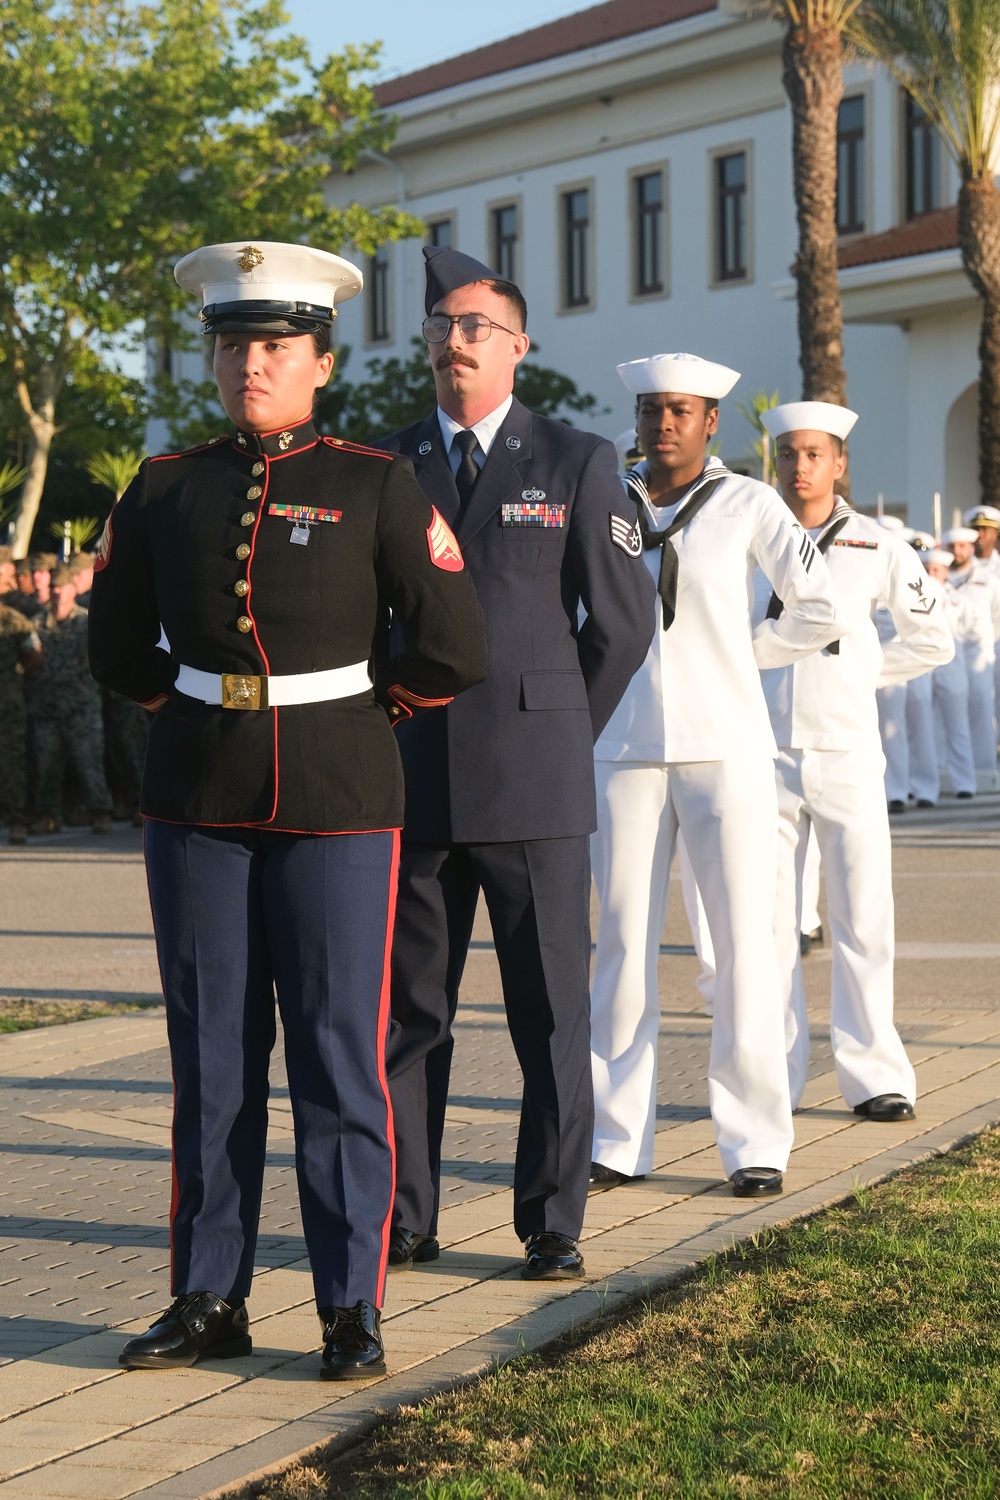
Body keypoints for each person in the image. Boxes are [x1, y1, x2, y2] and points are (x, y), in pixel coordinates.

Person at [88, 240, 487, 1379]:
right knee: (210, 1058)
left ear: (321, 362)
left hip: (339, 795)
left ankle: (347, 1306)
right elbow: (115, 642)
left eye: (273, 347)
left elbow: (455, 643)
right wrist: (193, 708)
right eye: (230, 345)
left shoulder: (375, 482)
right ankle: (208, 1293)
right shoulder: (164, 484)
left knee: (334, 1056)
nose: (248, 365)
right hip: (198, 800)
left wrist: (369, 716)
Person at [376, 247, 655, 1281]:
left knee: (547, 1013)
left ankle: (549, 1220)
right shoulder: (386, 463)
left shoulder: (575, 460)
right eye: (440, 326)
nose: (454, 342)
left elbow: (622, 624)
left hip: (535, 783)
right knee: (410, 1014)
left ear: (517, 346)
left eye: (474, 327)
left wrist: (555, 727)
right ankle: (405, 1216)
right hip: (411, 776)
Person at [589, 354, 842, 1199]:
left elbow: (819, 607)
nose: (663, 422)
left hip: (726, 749)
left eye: (681, 410)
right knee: (622, 947)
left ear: (711, 424)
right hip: (621, 747)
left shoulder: (747, 503)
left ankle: (754, 1140)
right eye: (651, 407)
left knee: (743, 949)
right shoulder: (605, 499)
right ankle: (617, 1139)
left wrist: (747, 654)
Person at [755, 402, 953, 1121]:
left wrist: (862, 669)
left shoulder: (877, 545)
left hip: (846, 750)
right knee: (770, 926)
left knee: (864, 918)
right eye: (788, 454)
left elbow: (933, 640)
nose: (800, 467)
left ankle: (874, 1074)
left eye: (814, 454)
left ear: (839, 464)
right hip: (762, 750)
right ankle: (771, 1075)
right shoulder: (748, 533)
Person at [30, 564, 114, 835]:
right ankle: (49, 815)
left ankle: (100, 812)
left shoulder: (87, 621)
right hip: (47, 706)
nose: (56, 592)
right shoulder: (36, 623)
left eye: (61, 587)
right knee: (47, 765)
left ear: (72, 590)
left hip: (81, 705)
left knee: (88, 760)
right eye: (53, 587)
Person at [942, 526, 1000, 788]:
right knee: (945, 712)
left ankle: (985, 769)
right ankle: (947, 770)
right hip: (948, 655)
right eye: (953, 547)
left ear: (971, 547)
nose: (958, 552)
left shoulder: (988, 578)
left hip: (979, 654)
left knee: (980, 708)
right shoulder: (938, 577)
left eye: (963, 546)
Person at [0, 598, 42, 844]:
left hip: (8, 706)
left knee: (12, 762)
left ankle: (17, 821)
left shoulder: (15, 621)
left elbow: (35, 657)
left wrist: (13, 682)